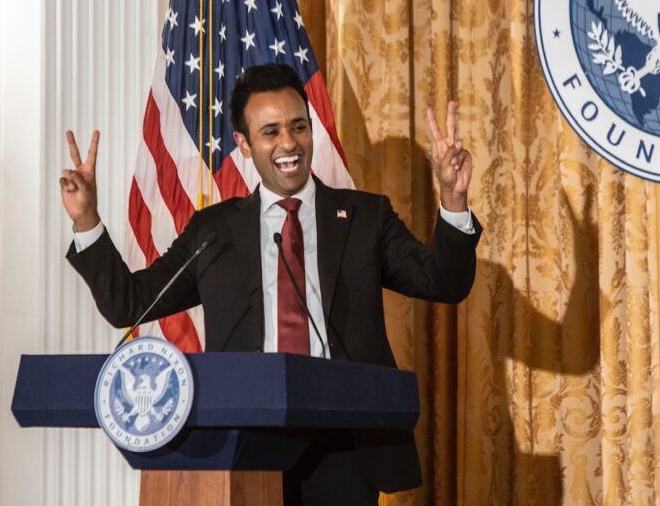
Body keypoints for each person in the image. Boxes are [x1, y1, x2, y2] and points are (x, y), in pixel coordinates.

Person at [59, 63, 481, 505]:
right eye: (270, 131)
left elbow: (443, 283)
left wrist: (453, 202)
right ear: (243, 144)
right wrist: (87, 220)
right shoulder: (214, 231)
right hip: (245, 442)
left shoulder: (364, 218)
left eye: (299, 127)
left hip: (344, 446)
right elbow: (131, 303)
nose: (288, 143)